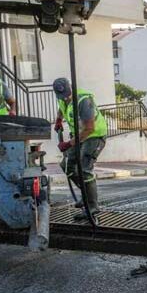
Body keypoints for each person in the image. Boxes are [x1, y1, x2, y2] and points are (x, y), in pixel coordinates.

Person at [52, 78, 108, 220]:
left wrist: (68, 144)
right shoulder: (62, 97)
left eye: (67, 94)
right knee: (67, 166)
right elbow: (62, 106)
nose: (66, 97)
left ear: (70, 87)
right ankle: (85, 196)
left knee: (84, 169)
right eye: (63, 96)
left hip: (94, 136)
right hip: (79, 136)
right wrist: (58, 119)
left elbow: (89, 129)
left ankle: (92, 206)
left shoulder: (83, 100)